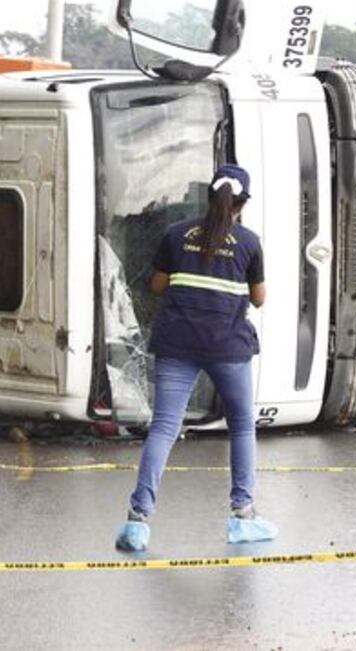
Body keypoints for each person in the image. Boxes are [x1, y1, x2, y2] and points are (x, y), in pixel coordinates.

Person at [115, 163, 276, 552]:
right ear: (242, 203)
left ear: (208, 196)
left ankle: (137, 523)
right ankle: (243, 516)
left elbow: (157, 285)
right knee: (241, 426)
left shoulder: (176, 234)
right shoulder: (249, 243)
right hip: (227, 346)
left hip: (177, 342)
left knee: (164, 428)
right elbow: (259, 298)